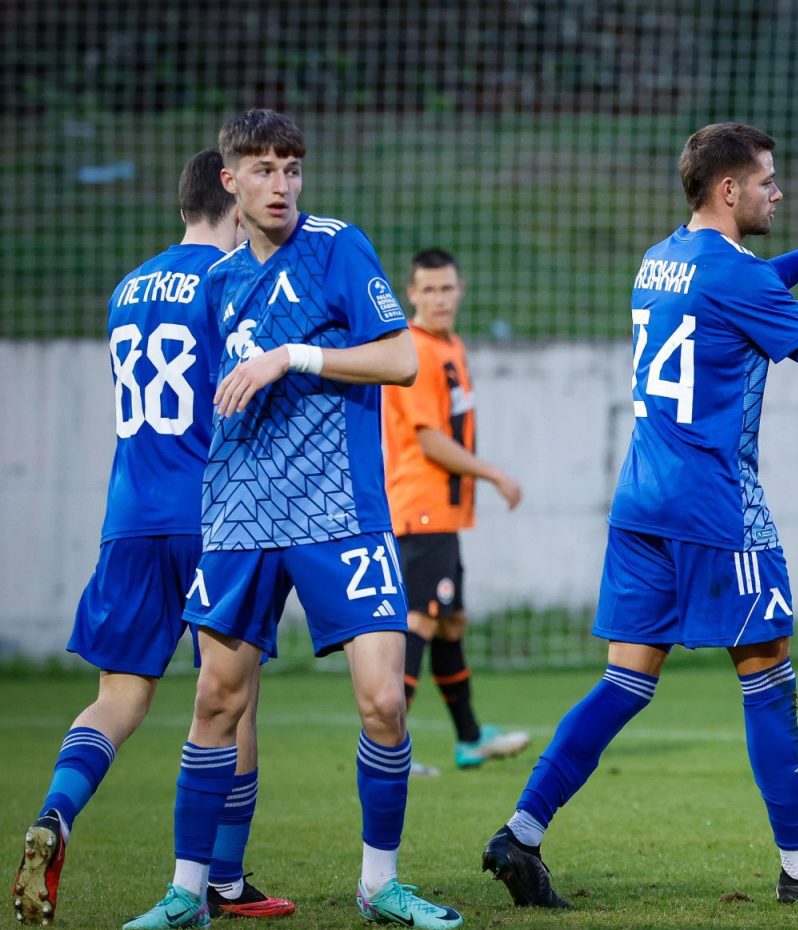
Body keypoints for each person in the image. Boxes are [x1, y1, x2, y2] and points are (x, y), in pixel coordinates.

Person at [480, 121, 798, 909]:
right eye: (767, 180)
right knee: (767, 670)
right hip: (716, 508)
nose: (777, 192)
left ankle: (520, 831)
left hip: (641, 503)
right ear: (729, 190)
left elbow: (738, 292)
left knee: (625, 681)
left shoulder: (661, 259)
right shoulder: (738, 277)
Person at [123, 110, 461, 930]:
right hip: (241, 516)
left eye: (292, 168)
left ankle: (379, 885)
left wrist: (293, 356)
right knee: (215, 701)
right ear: (229, 181)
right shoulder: (217, 283)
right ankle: (187, 893)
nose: (281, 184)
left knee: (384, 702)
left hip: (338, 512)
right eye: (263, 170)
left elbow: (399, 359)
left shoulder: (338, 247)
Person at [11, 152, 294, 926]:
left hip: (130, 517)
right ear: (235, 201)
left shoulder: (127, 289)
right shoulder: (234, 282)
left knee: (118, 698)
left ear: (182, 206)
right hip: (215, 515)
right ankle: (223, 879)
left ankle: (57, 812)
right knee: (235, 702)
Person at [383, 247, 531, 777]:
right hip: (421, 507)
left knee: (450, 622)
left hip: (444, 511)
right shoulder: (416, 350)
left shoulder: (451, 345)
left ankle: (469, 739)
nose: (440, 299)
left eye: (447, 288)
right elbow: (429, 440)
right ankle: (389, 750)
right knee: (420, 619)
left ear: (460, 290)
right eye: (429, 290)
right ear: (412, 294)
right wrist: (492, 473)